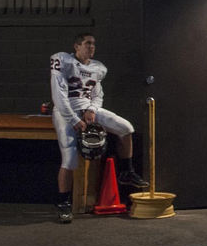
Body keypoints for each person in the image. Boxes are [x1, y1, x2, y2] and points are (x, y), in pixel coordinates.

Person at [50, 33, 148, 223]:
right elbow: (59, 95)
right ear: (76, 46)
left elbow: (97, 95)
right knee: (69, 159)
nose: (92, 47)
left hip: (87, 108)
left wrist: (92, 109)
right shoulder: (63, 60)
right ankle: (63, 203)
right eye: (87, 43)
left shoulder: (98, 68)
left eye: (94, 44)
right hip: (65, 111)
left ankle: (126, 171)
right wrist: (73, 119)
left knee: (126, 128)